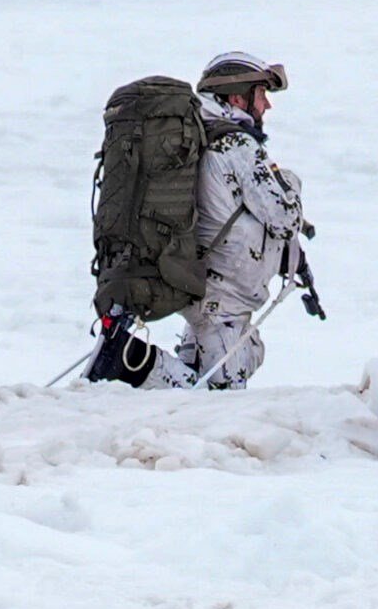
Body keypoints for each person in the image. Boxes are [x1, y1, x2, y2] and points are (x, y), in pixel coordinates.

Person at [88, 53, 305, 389]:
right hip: (223, 298)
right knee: (216, 403)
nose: (266, 106)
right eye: (261, 94)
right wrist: (290, 181)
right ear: (237, 96)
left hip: (196, 284)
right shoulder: (236, 143)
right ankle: (130, 360)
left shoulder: (195, 136)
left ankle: (130, 360)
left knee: (199, 402)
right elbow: (284, 217)